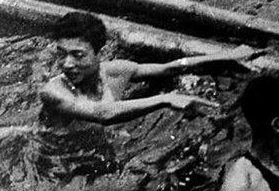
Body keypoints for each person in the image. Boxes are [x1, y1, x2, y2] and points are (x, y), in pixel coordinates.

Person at [40, 12, 261, 127]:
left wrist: (226, 55)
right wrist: (165, 99)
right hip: (54, 151)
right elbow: (103, 114)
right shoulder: (54, 91)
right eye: (62, 54)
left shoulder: (115, 71)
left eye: (77, 55)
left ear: (100, 52)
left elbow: (169, 69)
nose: (67, 64)